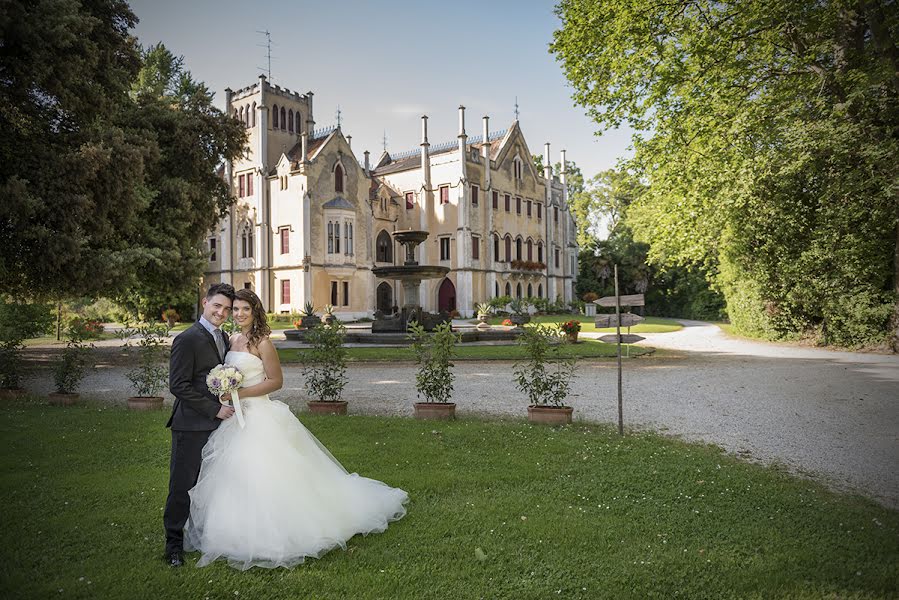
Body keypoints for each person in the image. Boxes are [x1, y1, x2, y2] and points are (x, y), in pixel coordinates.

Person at [184, 289, 408, 570]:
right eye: (236, 309)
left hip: (259, 416)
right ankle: (230, 534)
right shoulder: (231, 340)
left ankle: (278, 533)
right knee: (235, 475)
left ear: (255, 312)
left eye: (245, 309)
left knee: (267, 474)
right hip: (233, 419)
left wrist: (240, 394)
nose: (239, 314)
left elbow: (276, 381)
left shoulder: (262, 342)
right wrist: (225, 391)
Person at [163, 283, 236, 567]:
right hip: (191, 425)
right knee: (182, 485)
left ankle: (203, 535)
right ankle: (173, 546)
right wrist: (214, 408)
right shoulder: (187, 339)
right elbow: (178, 385)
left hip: (217, 426)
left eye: (227, 309)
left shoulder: (223, 337)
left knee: (209, 485)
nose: (221, 312)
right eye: (217, 305)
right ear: (205, 302)